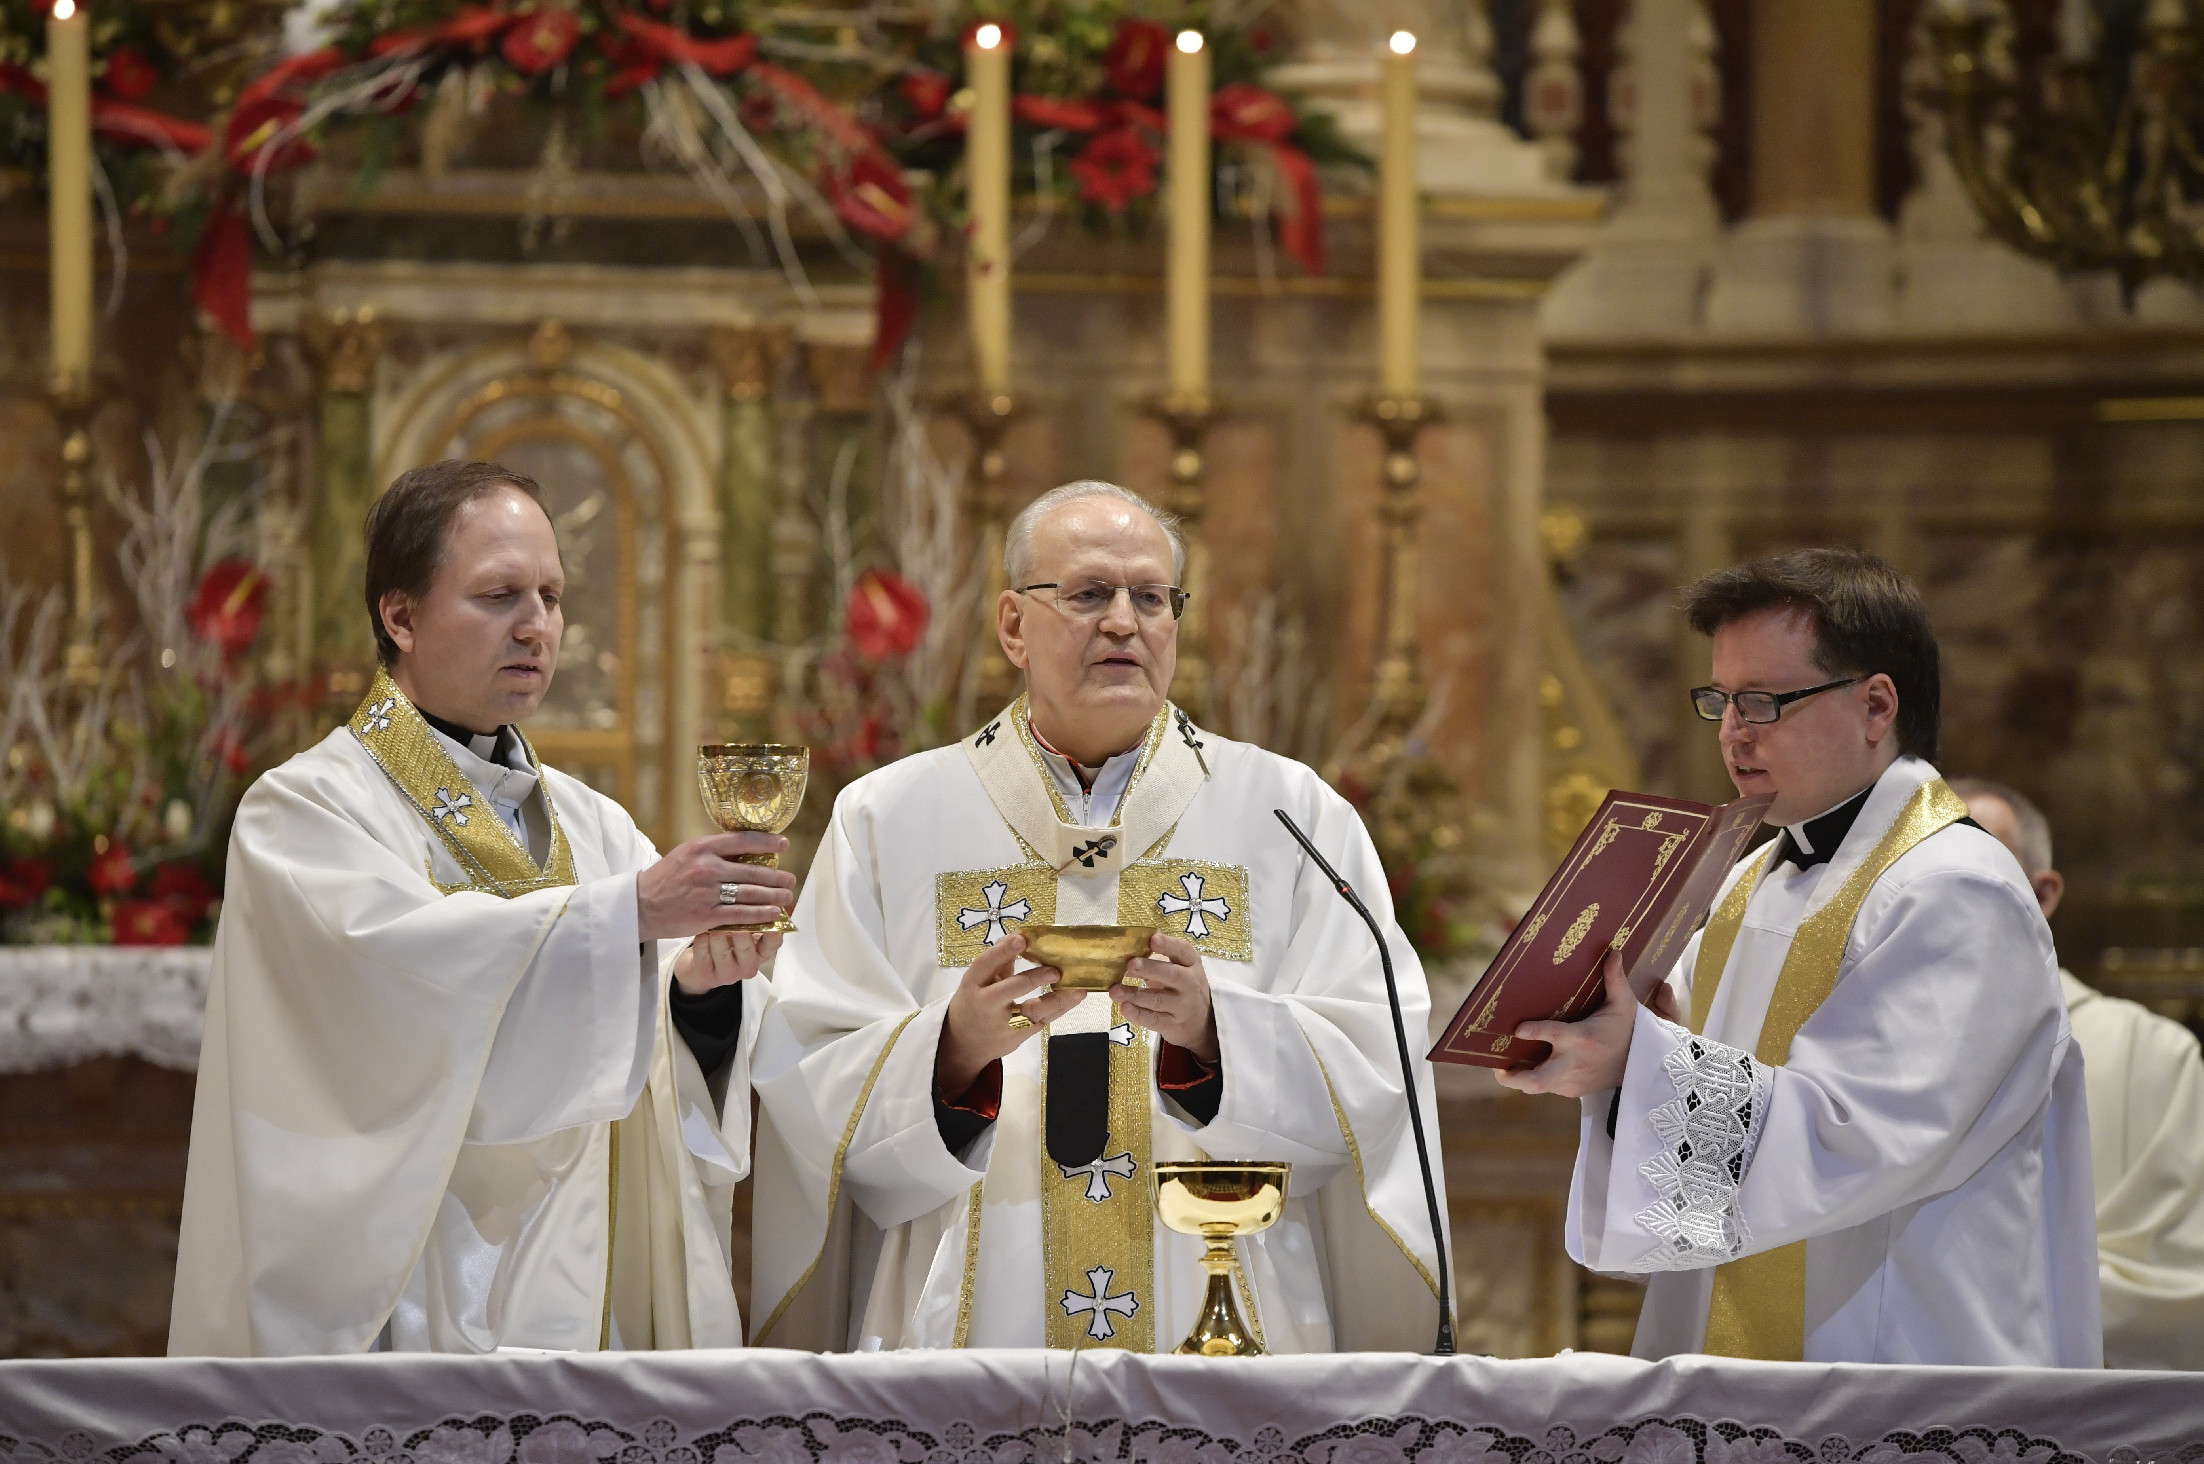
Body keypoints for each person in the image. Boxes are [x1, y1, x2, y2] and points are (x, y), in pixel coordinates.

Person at [749, 480, 1449, 1352]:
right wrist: (952, 1049)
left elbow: (1378, 1064)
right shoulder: (888, 820)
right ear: (1013, 625)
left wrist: (1213, 1035)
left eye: (1152, 597)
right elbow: (806, 1076)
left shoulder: (1290, 814)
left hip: (1221, 1316)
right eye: (1088, 594)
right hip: (973, 1321)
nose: (1125, 621)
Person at [170, 459, 795, 1355]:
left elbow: (652, 1055)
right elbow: (401, 988)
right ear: (401, 615)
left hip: (583, 1301)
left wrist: (699, 988)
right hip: (415, 1298)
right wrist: (631, 916)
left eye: (551, 594)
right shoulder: (304, 811)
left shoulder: (594, 823)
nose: (537, 627)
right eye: (500, 594)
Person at [1497, 548, 2099, 1366]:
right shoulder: (1752, 875)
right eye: (1720, 700)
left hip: (1901, 1358)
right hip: (1751, 1356)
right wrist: (1611, 1044)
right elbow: (1672, 1061)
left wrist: (1643, 1061)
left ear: (1876, 706)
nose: (1733, 732)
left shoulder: (1958, 888)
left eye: (1764, 702)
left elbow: (1857, 1132)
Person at [1953, 776, 2204, 1370]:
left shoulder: (2150, 1054)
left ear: (2043, 895)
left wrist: (1955, 1296)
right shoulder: (1848, 1043)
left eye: (1973, 869)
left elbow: (2174, 1280)